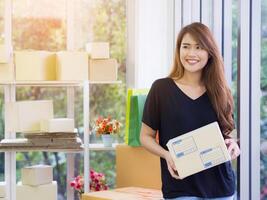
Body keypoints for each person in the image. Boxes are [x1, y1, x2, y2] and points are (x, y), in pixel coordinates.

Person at [140, 22, 241, 200]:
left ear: (209, 53)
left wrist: (233, 144)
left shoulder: (220, 91)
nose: (191, 53)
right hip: (180, 186)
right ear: (179, 50)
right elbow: (145, 136)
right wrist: (166, 155)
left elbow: (230, 131)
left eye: (199, 47)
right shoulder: (161, 88)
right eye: (186, 46)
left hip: (221, 188)